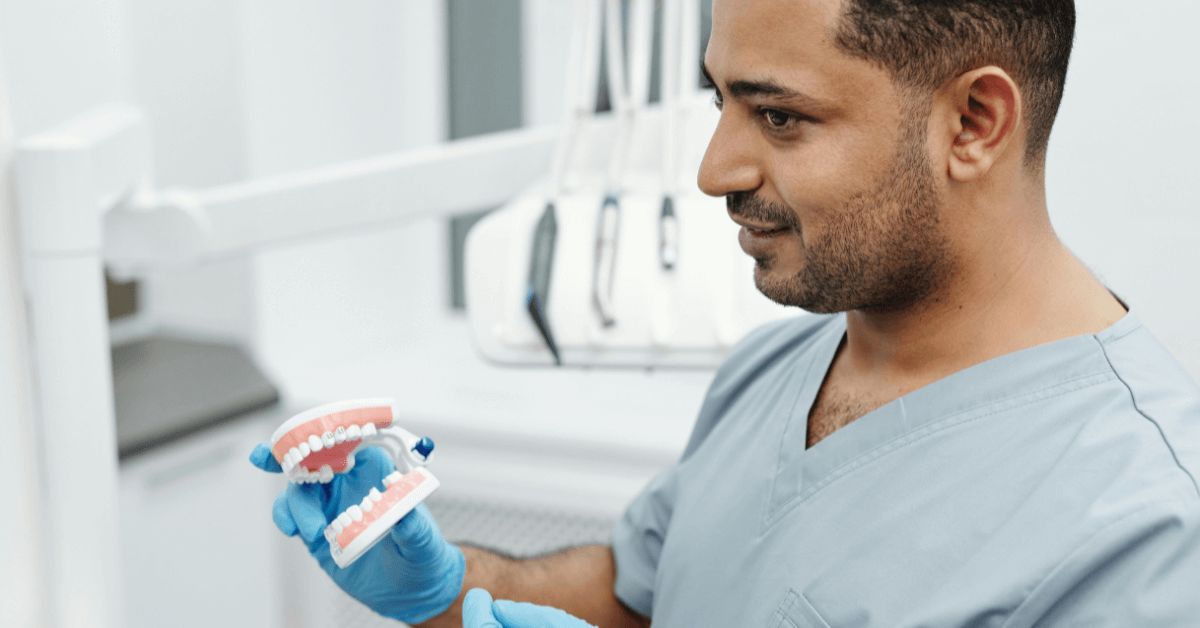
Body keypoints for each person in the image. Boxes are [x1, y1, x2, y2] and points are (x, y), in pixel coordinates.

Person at [250, 0, 1200, 626]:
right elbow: (645, 596)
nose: (715, 171)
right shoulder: (778, 369)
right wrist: (449, 588)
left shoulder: (1146, 526)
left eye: (779, 116)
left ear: (974, 124)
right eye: (719, 102)